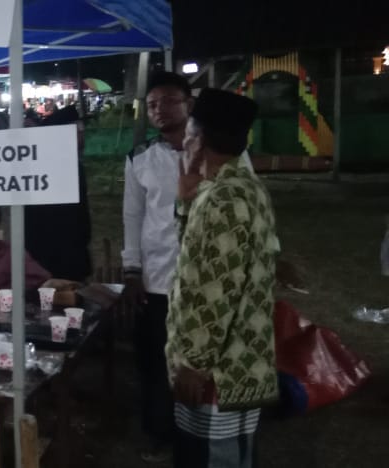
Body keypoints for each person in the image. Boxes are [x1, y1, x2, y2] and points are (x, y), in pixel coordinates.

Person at [166, 89, 278, 468]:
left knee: (212, 458)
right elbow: (197, 257)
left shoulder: (223, 200)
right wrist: (186, 201)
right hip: (235, 360)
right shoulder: (244, 188)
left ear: (198, 141)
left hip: (219, 370)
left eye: (188, 134)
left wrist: (194, 363)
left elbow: (214, 289)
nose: (183, 143)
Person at [121, 71, 194, 463]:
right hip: (157, 279)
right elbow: (132, 216)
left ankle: (199, 431)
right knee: (154, 360)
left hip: (204, 279)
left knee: (198, 358)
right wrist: (132, 270)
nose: (159, 110)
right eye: (152, 105)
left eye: (168, 101)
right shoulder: (140, 158)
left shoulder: (219, 151)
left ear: (188, 103)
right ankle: (158, 431)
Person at [24, 106, 92, 283]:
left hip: (72, 256)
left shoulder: (73, 164)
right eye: (77, 130)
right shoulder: (45, 168)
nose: (82, 135)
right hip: (54, 260)